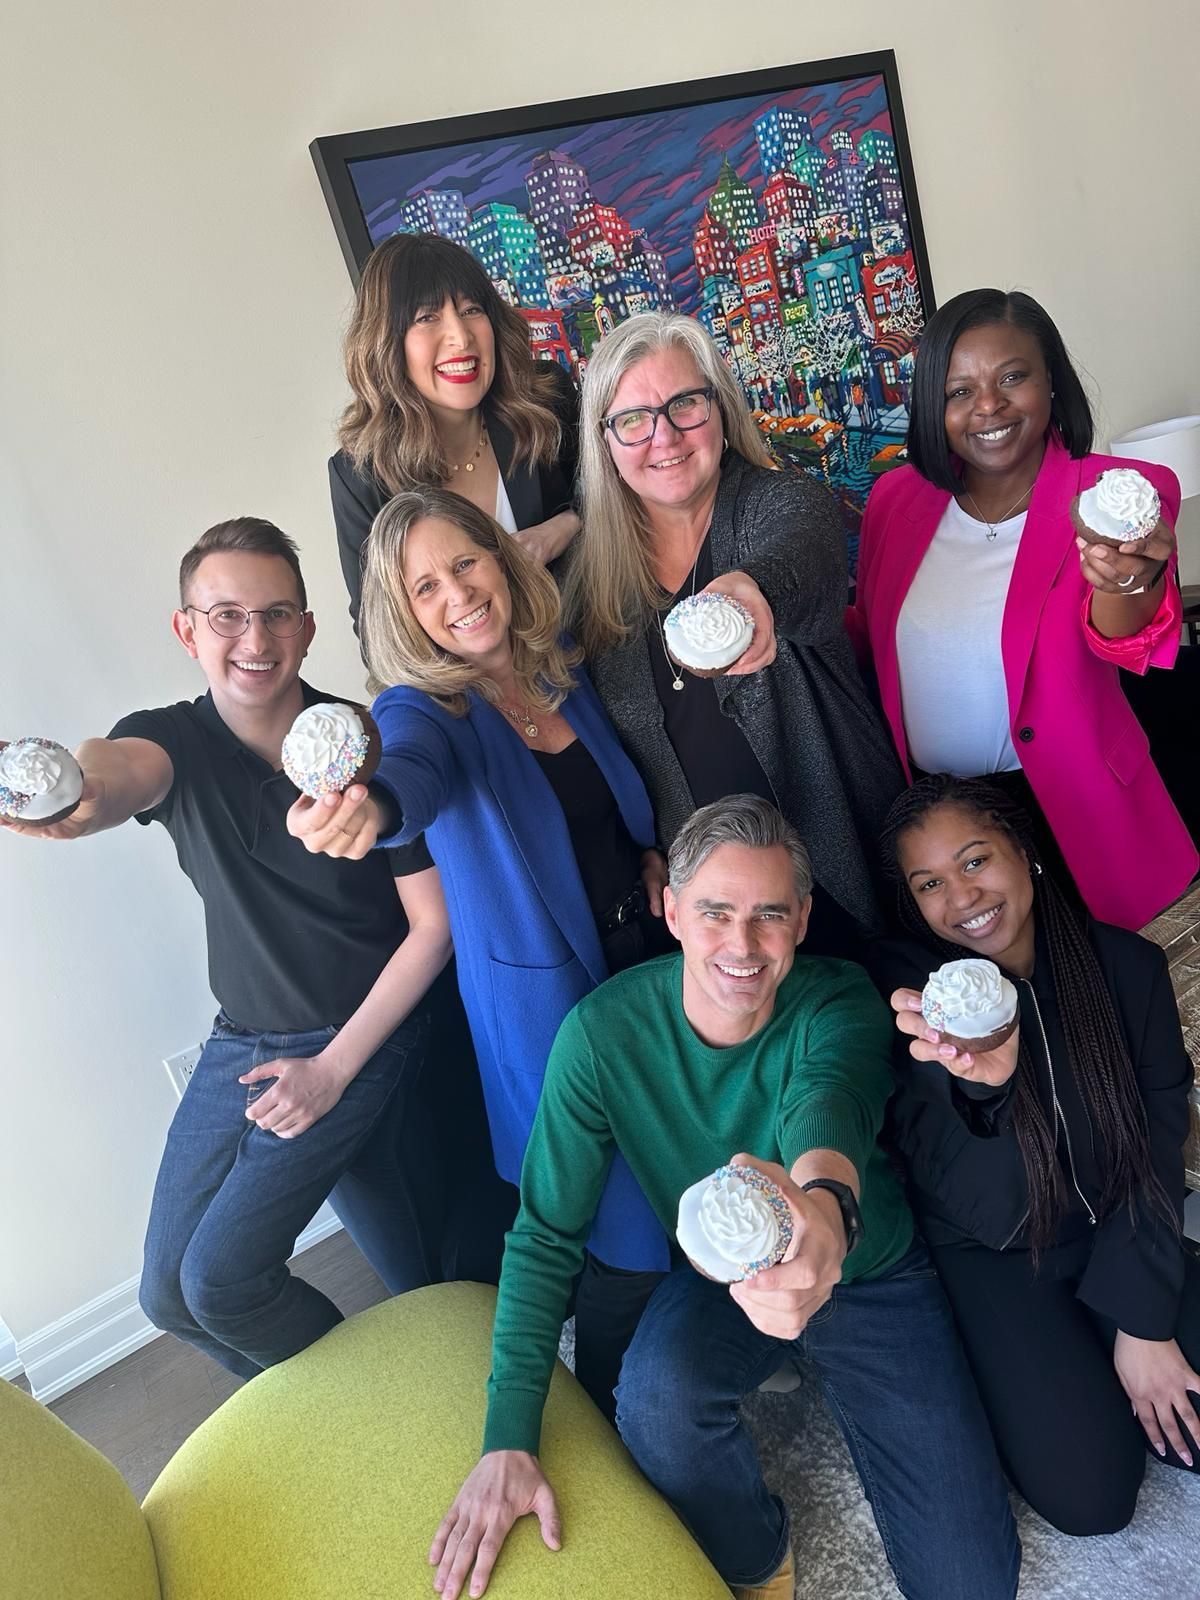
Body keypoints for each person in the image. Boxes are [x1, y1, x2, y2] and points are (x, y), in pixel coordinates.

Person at [429, 795, 1020, 1600]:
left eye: (769, 915)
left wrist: (822, 1216)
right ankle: (755, 1557)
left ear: (804, 919)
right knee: (655, 1402)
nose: (741, 945)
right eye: (714, 912)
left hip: (867, 1266)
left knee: (971, 1585)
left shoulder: (841, 1000)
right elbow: (545, 1234)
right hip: (725, 1287)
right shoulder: (601, 1036)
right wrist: (507, 1439)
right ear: (670, 910)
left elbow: (829, 1107)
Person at [0, 517, 505, 1380]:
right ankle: (332, 1413)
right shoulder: (173, 742)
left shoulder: (359, 741)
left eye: (276, 614)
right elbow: (116, 768)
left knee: (221, 1278)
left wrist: (334, 1070)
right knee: (166, 1294)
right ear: (186, 628)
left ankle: (384, 1410)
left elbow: (435, 926)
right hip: (243, 1036)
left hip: (367, 1033)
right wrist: (76, 795)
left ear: (308, 629)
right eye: (226, 615)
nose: (254, 638)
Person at [286, 485, 675, 1412]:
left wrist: (658, 849)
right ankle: (616, 1404)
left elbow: (616, 799)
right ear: (404, 614)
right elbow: (403, 785)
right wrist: (366, 810)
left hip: (651, 962)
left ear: (501, 559)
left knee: (680, 1165)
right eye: (424, 588)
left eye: (464, 562)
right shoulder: (424, 714)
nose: (455, 593)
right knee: (623, 1232)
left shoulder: (562, 664)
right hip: (555, 1011)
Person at [873, 774, 1200, 1535]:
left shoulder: (1126, 970)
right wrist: (989, 1089)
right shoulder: (917, 1012)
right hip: (999, 1258)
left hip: (1121, 1223)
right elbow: (983, 1204)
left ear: (1024, 851)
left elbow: (1155, 1150)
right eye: (930, 883)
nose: (961, 898)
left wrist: (1141, 1322)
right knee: (1092, 1497)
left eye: (975, 861)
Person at [849, 288, 1196, 929]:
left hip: (1075, 808)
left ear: (1052, 383)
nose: (989, 406)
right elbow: (867, 636)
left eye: (1013, 377)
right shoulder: (895, 502)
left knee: (1110, 1007)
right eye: (959, 391)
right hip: (944, 826)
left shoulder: (1115, 494)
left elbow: (1126, 638)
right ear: (935, 405)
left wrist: (1125, 579)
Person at [564, 311, 904, 954]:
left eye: (685, 403)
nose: (663, 437)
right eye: (633, 420)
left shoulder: (778, 503)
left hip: (841, 873)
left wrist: (756, 596)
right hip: (718, 924)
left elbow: (808, 555)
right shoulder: (593, 585)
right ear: (604, 441)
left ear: (719, 408)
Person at [329, 231, 580, 626]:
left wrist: (562, 527)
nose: (460, 337)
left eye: (471, 310)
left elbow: (619, 503)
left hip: (594, 653)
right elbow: (377, 633)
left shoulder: (545, 401)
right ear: (387, 343)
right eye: (427, 317)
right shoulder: (361, 475)